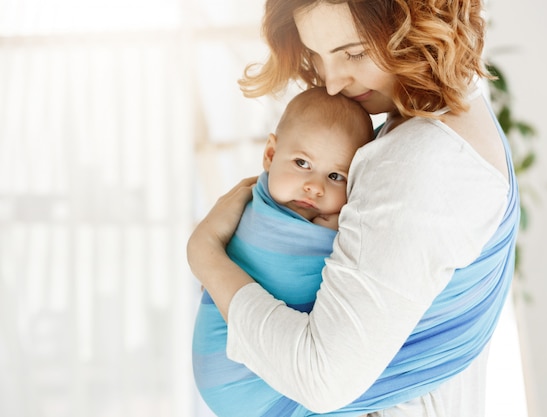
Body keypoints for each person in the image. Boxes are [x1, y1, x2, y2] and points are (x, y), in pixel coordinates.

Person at [187, 1, 520, 416]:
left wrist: (205, 255)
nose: (330, 82)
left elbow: (321, 377)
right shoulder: (446, 113)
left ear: (414, 21)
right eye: (317, 55)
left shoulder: (419, 160)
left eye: (354, 53)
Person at [192, 87, 374, 417]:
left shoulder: (257, 203)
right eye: (302, 163)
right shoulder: (259, 212)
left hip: (250, 385)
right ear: (270, 155)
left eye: (336, 176)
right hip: (248, 382)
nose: (315, 187)